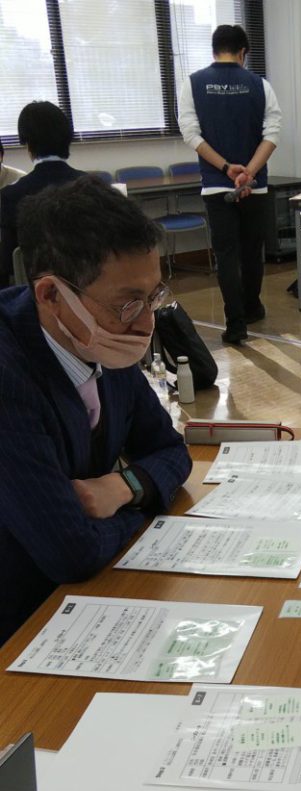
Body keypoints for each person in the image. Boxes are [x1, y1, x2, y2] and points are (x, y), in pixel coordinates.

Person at [0, 175, 192, 645]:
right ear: (51, 295)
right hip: (20, 617)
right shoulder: (9, 374)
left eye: (153, 296)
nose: (146, 323)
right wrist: (145, 504)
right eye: (128, 304)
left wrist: (123, 487)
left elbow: (171, 450)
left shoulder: (99, 337)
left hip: (91, 592)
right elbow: (72, 551)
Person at [178, 23, 282, 344]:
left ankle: (235, 324)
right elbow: (272, 133)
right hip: (255, 185)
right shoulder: (260, 85)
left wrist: (226, 168)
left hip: (215, 185)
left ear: (214, 50)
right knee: (252, 251)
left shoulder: (193, 83)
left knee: (226, 254)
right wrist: (248, 172)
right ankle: (252, 308)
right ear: (243, 53)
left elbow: (191, 135)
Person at [0, 102, 86, 287]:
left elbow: (8, 262)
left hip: (39, 291)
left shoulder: (11, 195)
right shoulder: (92, 185)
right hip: (89, 285)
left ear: (28, 143)